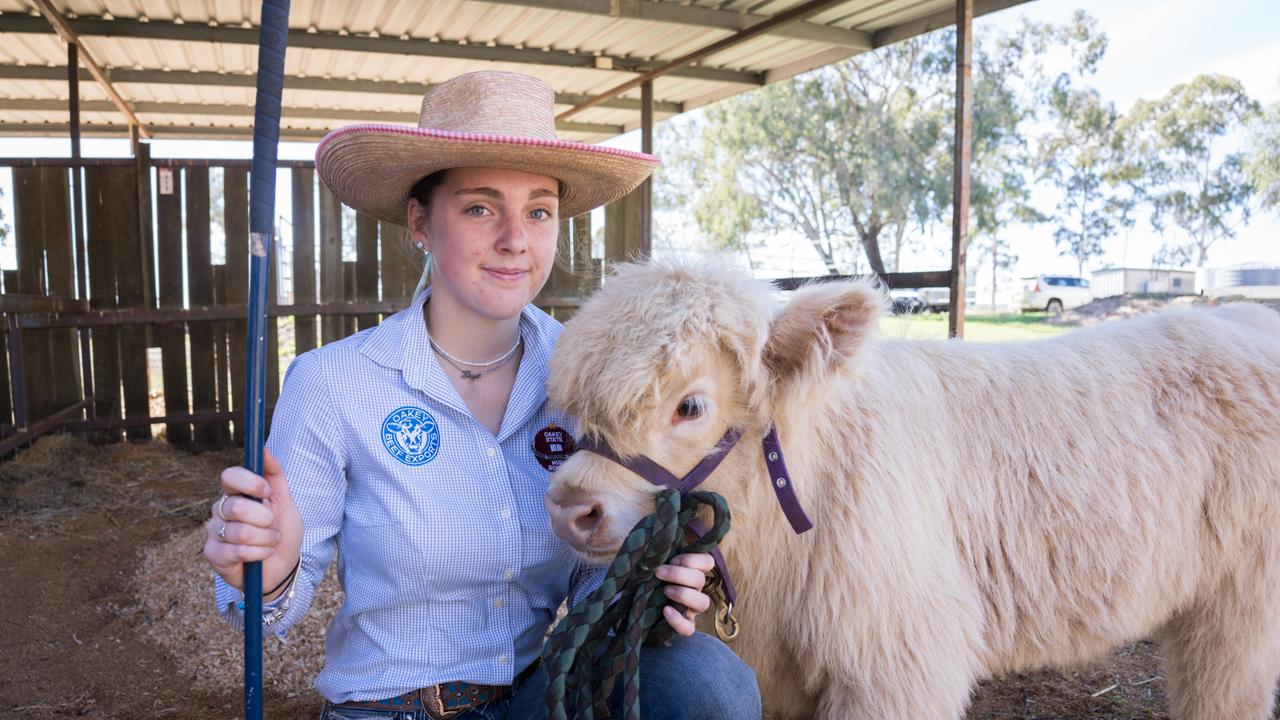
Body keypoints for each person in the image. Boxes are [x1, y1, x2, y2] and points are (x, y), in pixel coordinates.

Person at [202, 70, 762, 720]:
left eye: (539, 211)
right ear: (419, 220)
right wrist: (267, 563)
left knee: (704, 680)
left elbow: (592, 580)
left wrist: (647, 578)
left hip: (536, 700)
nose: (515, 239)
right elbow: (264, 611)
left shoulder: (585, 372)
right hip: (386, 709)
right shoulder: (334, 382)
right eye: (479, 207)